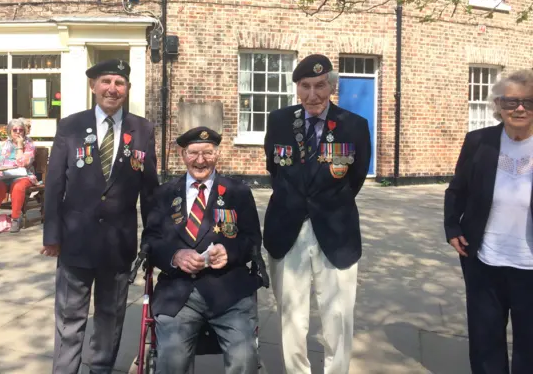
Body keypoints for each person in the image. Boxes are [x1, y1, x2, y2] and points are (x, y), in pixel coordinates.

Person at [42, 59, 159, 374]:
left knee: (110, 317)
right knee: (69, 317)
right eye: (106, 81)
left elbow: (149, 190)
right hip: (75, 240)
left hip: (118, 244)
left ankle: (101, 369)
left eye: (119, 83)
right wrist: (51, 236)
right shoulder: (70, 126)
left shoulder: (143, 129)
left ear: (127, 89)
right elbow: (54, 184)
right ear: (93, 86)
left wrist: (153, 240)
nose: (112, 88)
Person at [263, 54, 371, 374]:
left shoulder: (354, 125)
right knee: (291, 317)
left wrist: (327, 203)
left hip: (335, 230)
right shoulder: (279, 121)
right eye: (306, 86)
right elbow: (275, 170)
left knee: (337, 317)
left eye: (320, 86)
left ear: (331, 87)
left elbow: (356, 177)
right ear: (297, 88)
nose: (313, 95)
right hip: (287, 228)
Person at [142, 127, 263, 374]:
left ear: (217, 155)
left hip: (229, 292)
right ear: (182, 155)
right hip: (179, 293)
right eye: (194, 153)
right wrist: (175, 256)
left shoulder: (237, 192)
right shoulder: (164, 194)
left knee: (244, 357)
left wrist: (229, 252)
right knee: (172, 359)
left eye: (207, 153)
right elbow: (150, 241)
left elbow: (252, 239)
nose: (200, 160)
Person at [444, 69, 533, 374]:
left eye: (528, 102)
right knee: (485, 340)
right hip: (485, 259)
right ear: (498, 105)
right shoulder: (479, 142)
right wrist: (452, 228)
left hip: (530, 265)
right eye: (511, 102)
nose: (519, 108)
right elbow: (457, 189)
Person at [0, 118, 36, 234]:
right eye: (14, 130)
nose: (18, 132)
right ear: (9, 132)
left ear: (24, 132)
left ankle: (15, 218)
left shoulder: (29, 145)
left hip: (22, 175)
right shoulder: (3, 145)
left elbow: (23, 163)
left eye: (20, 130)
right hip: (3, 175)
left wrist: (19, 145)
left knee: (18, 187)